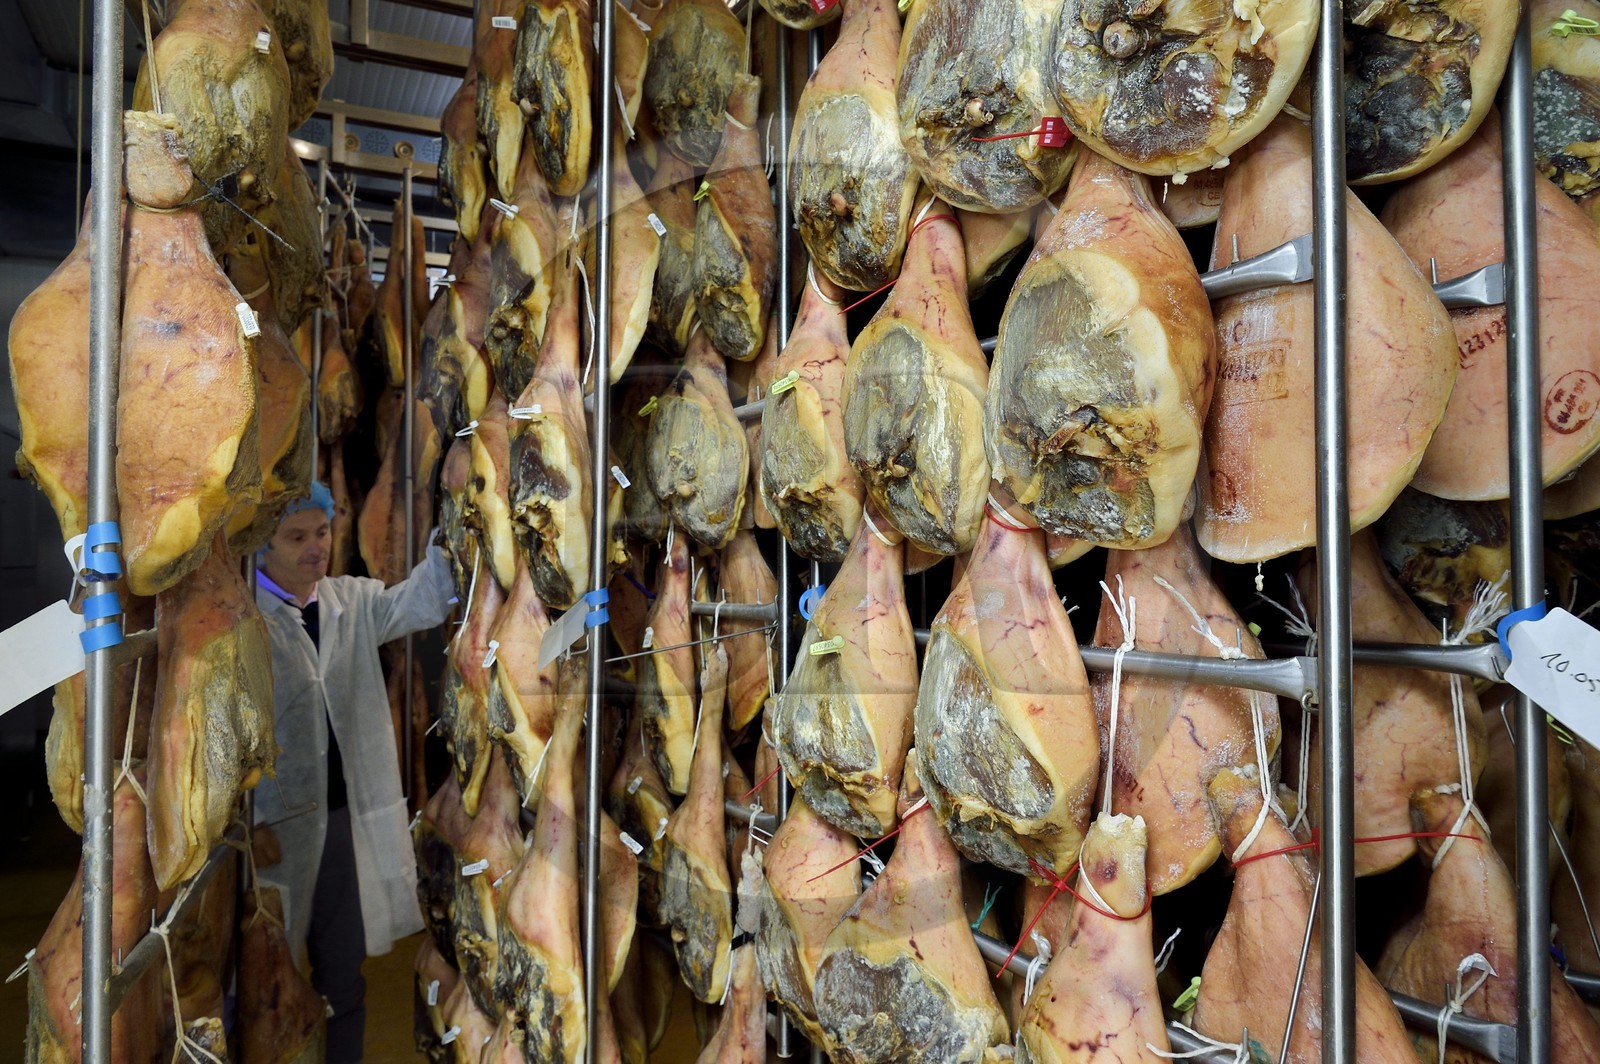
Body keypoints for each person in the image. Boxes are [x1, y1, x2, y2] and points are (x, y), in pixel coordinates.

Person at [249, 481, 454, 1062]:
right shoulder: (243, 618)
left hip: (341, 827)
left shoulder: (350, 601)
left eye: (322, 532)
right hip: (269, 836)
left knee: (343, 979)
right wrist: (238, 825)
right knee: (265, 984)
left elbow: (422, 600)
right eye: (297, 537)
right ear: (263, 545)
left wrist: (455, 524)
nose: (317, 548)